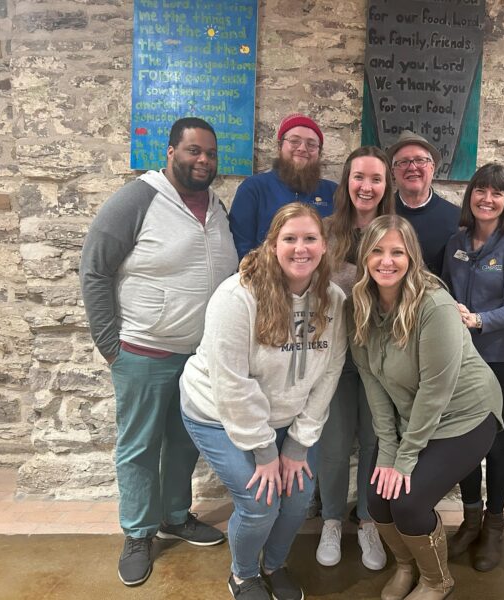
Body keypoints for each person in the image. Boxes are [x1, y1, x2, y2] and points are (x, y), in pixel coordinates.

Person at [79, 117, 235, 586]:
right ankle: (139, 532)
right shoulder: (137, 199)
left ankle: (174, 514)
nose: (202, 160)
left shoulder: (215, 205)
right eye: (192, 151)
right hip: (143, 351)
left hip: (198, 356)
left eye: (209, 153)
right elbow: (94, 269)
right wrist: (111, 346)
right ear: (170, 152)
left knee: (186, 441)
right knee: (140, 446)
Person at [180, 203, 347, 600]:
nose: (300, 248)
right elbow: (231, 384)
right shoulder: (238, 296)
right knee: (260, 501)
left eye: (310, 238)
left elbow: (329, 374)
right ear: (272, 245)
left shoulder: (334, 300)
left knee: (300, 497)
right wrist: (264, 451)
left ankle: (274, 563)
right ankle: (243, 574)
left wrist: (298, 443)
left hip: (287, 417)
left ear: (324, 246)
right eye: (289, 239)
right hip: (217, 412)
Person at [348, 215, 503, 600]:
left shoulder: (434, 302)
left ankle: (437, 580)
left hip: (466, 413)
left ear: (411, 258)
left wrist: (405, 458)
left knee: (408, 501)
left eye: (397, 252)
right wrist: (387, 450)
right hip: (413, 416)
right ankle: (407, 566)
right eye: (378, 251)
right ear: (365, 257)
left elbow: (436, 389)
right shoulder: (361, 307)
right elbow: (374, 383)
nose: (387, 261)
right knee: (376, 500)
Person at [440, 163, 504, 572]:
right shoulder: (456, 241)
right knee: (464, 440)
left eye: (497, 193)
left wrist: (476, 319)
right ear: (471, 196)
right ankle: (470, 520)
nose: (487, 199)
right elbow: (442, 292)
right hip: (460, 357)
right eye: (480, 190)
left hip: (502, 359)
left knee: (494, 442)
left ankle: (494, 528)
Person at [315, 146, 394, 571]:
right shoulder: (326, 231)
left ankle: (367, 520)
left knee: (375, 441)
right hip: (334, 356)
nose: (367, 186)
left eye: (376, 179)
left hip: (381, 359)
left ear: (386, 186)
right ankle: (331, 519)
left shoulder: (395, 232)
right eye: (359, 177)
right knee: (333, 443)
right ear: (347, 182)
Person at [229, 113, 337, 259]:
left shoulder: (333, 192)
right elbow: (241, 248)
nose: (302, 148)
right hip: (264, 279)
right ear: (279, 146)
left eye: (311, 144)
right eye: (294, 141)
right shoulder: (253, 189)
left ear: (319, 152)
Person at [386, 130, 459, 276]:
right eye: (403, 162)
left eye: (420, 160)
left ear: (433, 167)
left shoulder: (457, 217)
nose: (412, 167)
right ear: (393, 172)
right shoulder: (380, 213)